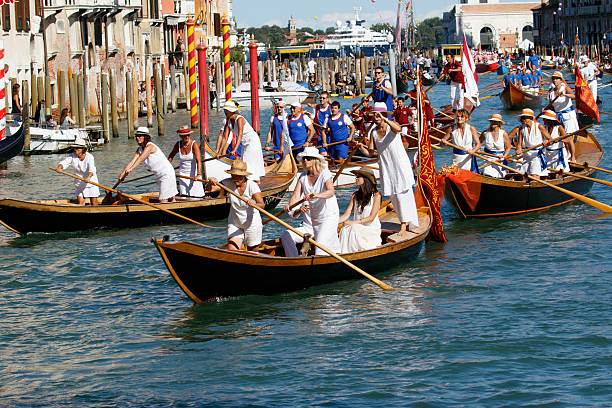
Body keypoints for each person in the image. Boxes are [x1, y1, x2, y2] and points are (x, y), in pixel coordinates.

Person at [358, 104, 420, 237]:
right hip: (386, 167)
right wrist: (361, 147)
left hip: (399, 165)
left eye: (378, 114)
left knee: (403, 194)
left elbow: (398, 129)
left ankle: (404, 224)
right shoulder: (373, 132)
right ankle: (403, 220)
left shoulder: (392, 126)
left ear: (384, 115)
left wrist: (385, 120)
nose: (375, 117)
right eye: (374, 114)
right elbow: (370, 152)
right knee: (394, 195)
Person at [280, 146, 340, 257]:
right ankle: (294, 262)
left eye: (308, 158)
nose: (305, 160)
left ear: (315, 160)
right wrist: (290, 207)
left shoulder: (325, 174)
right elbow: (295, 197)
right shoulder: (302, 177)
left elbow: (331, 192)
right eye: (304, 159)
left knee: (320, 248)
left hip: (328, 217)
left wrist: (315, 195)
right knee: (286, 235)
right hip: (313, 219)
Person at [207, 159, 264, 251]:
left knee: (253, 251)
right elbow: (210, 189)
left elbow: (261, 204)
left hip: (251, 223)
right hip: (235, 222)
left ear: (244, 176)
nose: (235, 179)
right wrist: (211, 182)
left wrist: (254, 204)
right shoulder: (227, 183)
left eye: (238, 176)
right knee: (232, 250)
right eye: (233, 175)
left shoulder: (252, 185)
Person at [119, 127, 177, 202]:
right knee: (171, 197)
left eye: (140, 136)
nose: (137, 138)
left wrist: (131, 169)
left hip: (166, 173)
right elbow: (132, 162)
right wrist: (122, 174)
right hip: (159, 175)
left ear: (145, 137)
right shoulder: (139, 149)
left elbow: (140, 159)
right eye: (136, 136)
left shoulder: (150, 146)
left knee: (164, 199)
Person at [218, 101, 265, 182]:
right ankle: (249, 180)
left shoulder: (239, 119)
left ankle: (256, 181)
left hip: (252, 141)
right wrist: (219, 152)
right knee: (244, 160)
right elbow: (225, 138)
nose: (225, 112)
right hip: (244, 142)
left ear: (231, 111)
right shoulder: (228, 121)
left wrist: (234, 149)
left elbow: (240, 135)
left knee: (248, 162)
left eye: (226, 111)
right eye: (225, 110)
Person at [338, 167, 382, 253]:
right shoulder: (355, 195)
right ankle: (344, 253)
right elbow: (347, 214)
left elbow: (371, 218)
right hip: (357, 228)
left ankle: (351, 253)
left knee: (353, 227)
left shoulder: (377, 196)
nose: (356, 178)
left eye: (359, 176)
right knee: (345, 228)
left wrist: (353, 222)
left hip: (370, 230)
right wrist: (334, 222)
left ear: (366, 179)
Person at [507, 108, 552, 180]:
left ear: (531, 118)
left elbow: (550, 139)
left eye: (525, 117)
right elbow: (519, 143)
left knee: (535, 175)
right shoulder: (521, 128)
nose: (523, 119)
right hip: (526, 154)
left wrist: (546, 142)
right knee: (524, 175)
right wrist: (518, 149)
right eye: (522, 118)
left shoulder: (539, 126)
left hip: (536, 154)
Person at [55, 137, 99, 205]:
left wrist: (88, 177)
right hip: (79, 183)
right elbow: (65, 162)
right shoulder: (72, 156)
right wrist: (59, 167)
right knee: (80, 204)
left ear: (83, 149)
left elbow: (92, 169)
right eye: (74, 148)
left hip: (90, 183)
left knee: (94, 203)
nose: (75, 150)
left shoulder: (89, 157)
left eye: (77, 148)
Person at [168, 125, 205, 197]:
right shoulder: (178, 145)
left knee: (197, 195)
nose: (187, 137)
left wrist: (198, 174)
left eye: (188, 135)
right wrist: (166, 167)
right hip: (183, 175)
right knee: (184, 196)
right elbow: (171, 156)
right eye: (185, 135)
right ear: (181, 136)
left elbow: (199, 160)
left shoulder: (194, 144)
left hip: (194, 175)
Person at [541, 109, 575, 177]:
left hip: (558, 154)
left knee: (557, 174)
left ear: (549, 120)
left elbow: (568, 139)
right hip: (548, 154)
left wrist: (559, 140)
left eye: (544, 119)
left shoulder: (559, 128)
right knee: (549, 174)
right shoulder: (544, 128)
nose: (543, 121)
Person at [480, 114, 511, 178]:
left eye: (495, 122)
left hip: (499, 159)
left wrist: (504, 156)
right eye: (492, 121)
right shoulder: (485, 133)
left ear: (499, 123)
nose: (493, 123)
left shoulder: (503, 134)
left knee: (499, 176)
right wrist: (478, 150)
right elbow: (478, 143)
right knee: (488, 175)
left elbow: (508, 147)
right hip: (487, 158)